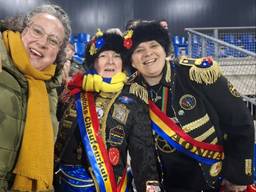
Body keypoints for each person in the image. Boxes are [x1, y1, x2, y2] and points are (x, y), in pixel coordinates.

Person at [123, 21, 255, 192]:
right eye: (139, 50)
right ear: (132, 62)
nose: (148, 53)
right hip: (166, 185)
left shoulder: (197, 74)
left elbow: (240, 122)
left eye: (153, 45)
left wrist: (238, 176)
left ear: (165, 50)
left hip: (214, 182)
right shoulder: (129, 91)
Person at [54, 30, 161, 192]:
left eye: (116, 56)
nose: (110, 61)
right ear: (94, 62)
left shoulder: (133, 100)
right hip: (64, 183)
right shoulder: (73, 92)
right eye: (103, 56)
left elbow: (143, 155)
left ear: (123, 62)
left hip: (110, 185)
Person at [0, 4, 71, 191]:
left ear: (57, 53)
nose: (42, 43)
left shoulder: (50, 88)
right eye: (37, 31)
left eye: (53, 41)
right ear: (22, 29)